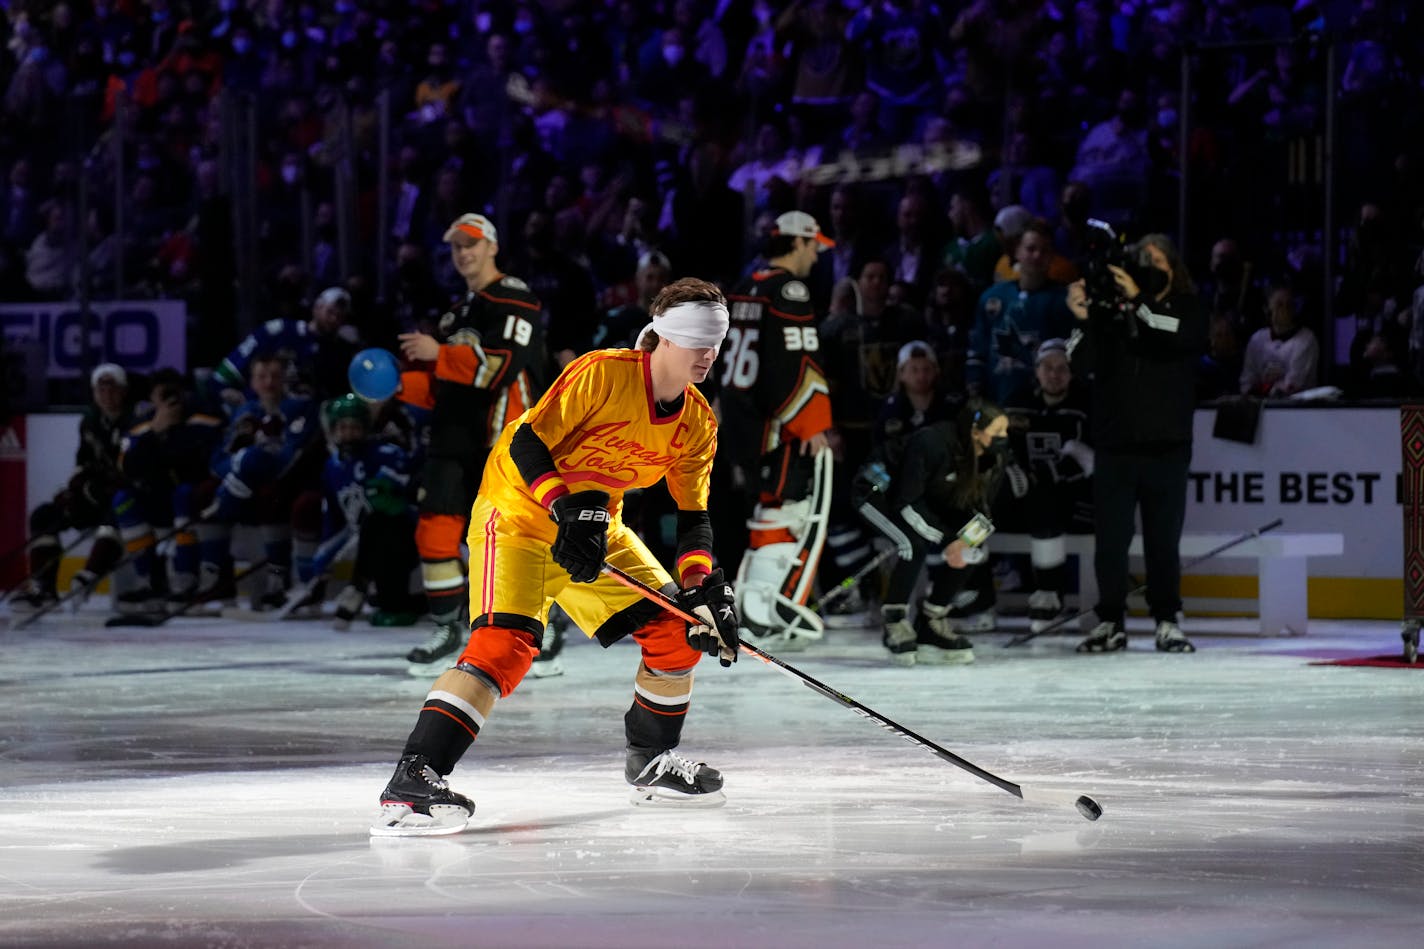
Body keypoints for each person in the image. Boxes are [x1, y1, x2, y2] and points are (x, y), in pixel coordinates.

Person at [372, 278, 740, 836]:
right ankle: (412, 782)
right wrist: (563, 507)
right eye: (697, 339)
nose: (708, 353)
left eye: (716, 340)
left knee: (678, 630)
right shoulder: (603, 373)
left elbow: (694, 516)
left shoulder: (697, 422)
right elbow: (527, 443)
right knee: (504, 646)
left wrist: (701, 588)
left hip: (595, 527)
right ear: (662, 336)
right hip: (519, 512)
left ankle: (652, 761)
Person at [394, 213, 547, 675]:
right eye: (456, 246)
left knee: (514, 538)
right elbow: (445, 387)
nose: (463, 253)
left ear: (492, 247)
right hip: (451, 437)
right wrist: (394, 386)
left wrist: (438, 354)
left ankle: (542, 632)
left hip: (502, 439)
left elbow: (498, 367)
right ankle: (446, 629)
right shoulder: (456, 312)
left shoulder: (515, 298)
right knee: (434, 531)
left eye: (471, 245)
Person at [1066, 233, 1207, 653]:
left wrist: (1140, 300)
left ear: (1173, 266)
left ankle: (1167, 619)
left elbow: (1179, 336)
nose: (1149, 264)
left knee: (1163, 541)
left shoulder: (1187, 307)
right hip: (1115, 446)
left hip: (1167, 445)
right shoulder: (1107, 314)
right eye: (1142, 258)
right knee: (1110, 541)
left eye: (1157, 258)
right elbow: (1079, 363)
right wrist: (1082, 317)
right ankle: (1111, 620)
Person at [718, 210, 835, 647]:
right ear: (798, 242)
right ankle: (763, 612)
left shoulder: (745, 286)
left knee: (765, 509)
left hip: (740, 421)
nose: (817, 256)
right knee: (785, 511)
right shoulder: (789, 288)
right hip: (775, 425)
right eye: (814, 246)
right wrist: (812, 422)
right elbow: (794, 362)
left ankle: (754, 607)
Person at [856, 400, 1013, 666]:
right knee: (911, 545)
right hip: (879, 492)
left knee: (971, 548)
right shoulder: (932, 443)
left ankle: (932, 621)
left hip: (931, 496)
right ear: (976, 432)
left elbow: (985, 512)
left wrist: (964, 541)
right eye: (998, 433)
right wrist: (948, 540)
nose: (1004, 439)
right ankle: (894, 622)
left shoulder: (995, 457)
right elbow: (905, 501)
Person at [13, 363, 133, 610]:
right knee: (45, 515)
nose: (107, 396)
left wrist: (101, 486)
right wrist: (75, 490)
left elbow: (135, 470)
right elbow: (83, 464)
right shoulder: (90, 422)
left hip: (125, 498)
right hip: (97, 496)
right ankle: (44, 587)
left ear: (123, 391)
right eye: (101, 390)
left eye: (112, 389)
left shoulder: (136, 421)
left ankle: (89, 575)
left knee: (119, 509)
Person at [1003, 339, 1094, 633]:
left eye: (1062, 368)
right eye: (1048, 368)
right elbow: (997, 448)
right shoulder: (1016, 401)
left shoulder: (1086, 405)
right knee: (974, 505)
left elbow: (1088, 460)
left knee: (1045, 498)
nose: (1055, 374)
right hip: (1021, 495)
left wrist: (1040, 476)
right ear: (1037, 370)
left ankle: (1048, 592)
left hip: (1074, 501)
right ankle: (973, 597)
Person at [967, 219, 1077, 405]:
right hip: (995, 399)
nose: (1037, 255)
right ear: (1017, 251)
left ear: (1052, 256)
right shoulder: (992, 297)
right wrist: (974, 384)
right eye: (1031, 248)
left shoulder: (1065, 301)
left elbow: (1072, 352)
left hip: (1043, 405)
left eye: (1044, 251)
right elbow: (979, 347)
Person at [207, 286, 361, 406]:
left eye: (340, 316)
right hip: (259, 409)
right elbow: (226, 374)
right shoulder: (279, 330)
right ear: (317, 307)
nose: (334, 319)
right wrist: (224, 390)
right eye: (330, 312)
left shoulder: (342, 350)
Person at [1239, 287, 1319, 397]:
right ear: (1268, 309)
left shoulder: (1306, 339)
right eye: (1279, 304)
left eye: (1289, 304)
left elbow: (1294, 383)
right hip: (1258, 406)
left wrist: (1264, 388)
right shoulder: (1257, 339)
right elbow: (1247, 380)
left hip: (1296, 408)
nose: (1285, 309)